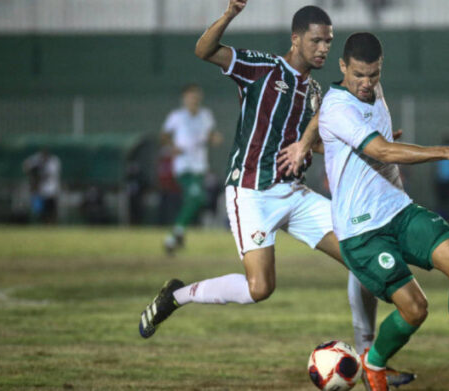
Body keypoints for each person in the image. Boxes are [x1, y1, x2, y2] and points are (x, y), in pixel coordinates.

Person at [138, 2, 414, 387]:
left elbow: (315, 145)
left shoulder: (315, 91)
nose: (323, 49)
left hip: (294, 194)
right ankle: (178, 295)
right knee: (260, 289)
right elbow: (204, 50)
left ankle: (370, 359)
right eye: (316, 40)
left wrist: (364, 144)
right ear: (296, 39)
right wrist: (230, 14)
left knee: (362, 258)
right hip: (250, 193)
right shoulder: (263, 69)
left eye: (328, 42)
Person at [280, 32, 449, 391]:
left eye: (373, 74)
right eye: (358, 74)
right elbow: (384, 152)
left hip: (398, 210)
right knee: (415, 309)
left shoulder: (372, 90)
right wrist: (445, 151)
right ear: (342, 67)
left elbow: (373, 142)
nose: (366, 83)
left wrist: (370, 141)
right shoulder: (338, 105)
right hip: (363, 233)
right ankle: (373, 365)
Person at [162, 84, 223, 254]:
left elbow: (210, 134)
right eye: (190, 96)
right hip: (183, 166)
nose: (193, 100)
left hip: (199, 166)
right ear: (184, 99)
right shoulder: (177, 116)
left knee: (195, 199)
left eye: (196, 96)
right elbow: (164, 136)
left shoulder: (206, 115)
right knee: (197, 197)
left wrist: (215, 138)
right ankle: (177, 233)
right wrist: (172, 146)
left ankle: (175, 237)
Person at [22, 148, 61, 224]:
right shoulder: (36, 159)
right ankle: (42, 223)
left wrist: (39, 175)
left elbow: (49, 175)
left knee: (51, 209)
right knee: (41, 209)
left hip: (51, 189)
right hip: (40, 189)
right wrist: (33, 175)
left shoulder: (54, 161)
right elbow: (26, 166)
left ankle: (52, 223)